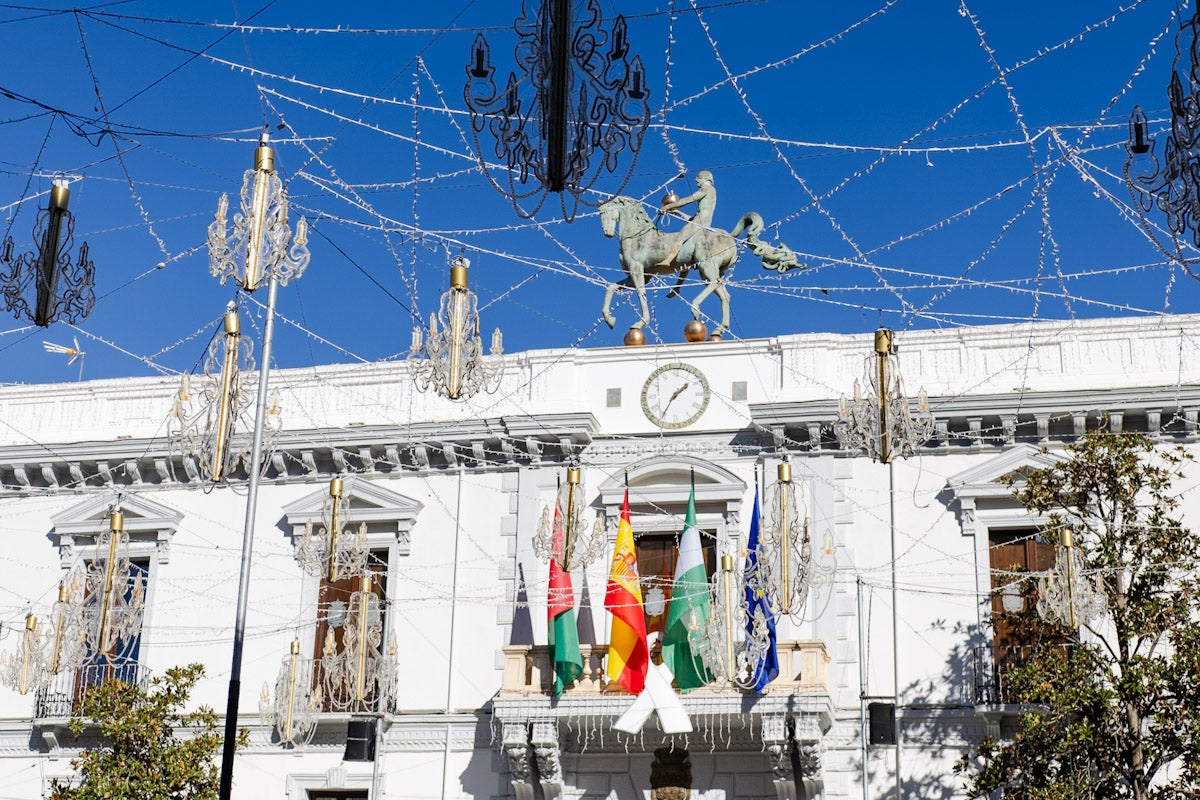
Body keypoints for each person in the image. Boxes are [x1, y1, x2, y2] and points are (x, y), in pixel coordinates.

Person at [656, 170, 716, 267]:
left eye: (698, 178)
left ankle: (668, 260)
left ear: (704, 178)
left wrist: (667, 206)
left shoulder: (706, 189)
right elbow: (693, 218)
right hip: (703, 220)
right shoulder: (712, 191)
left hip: (701, 220)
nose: (696, 180)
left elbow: (688, 199)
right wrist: (678, 212)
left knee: (680, 237)